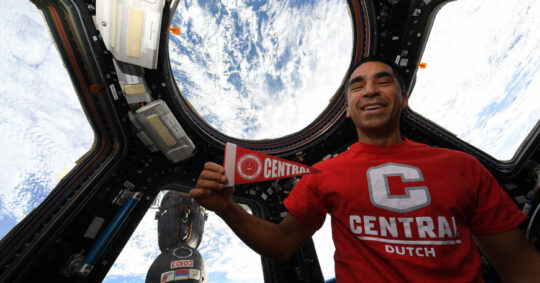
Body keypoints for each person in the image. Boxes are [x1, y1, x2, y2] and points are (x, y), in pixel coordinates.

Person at [189, 57, 540, 282]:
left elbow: (519, 265)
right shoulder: (324, 174)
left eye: (383, 81)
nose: (369, 89)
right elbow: (282, 244)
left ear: (403, 99)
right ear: (347, 110)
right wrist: (228, 209)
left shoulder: (463, 167)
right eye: (357, 85)